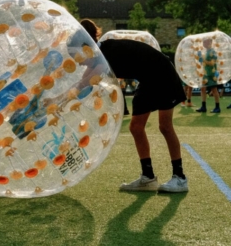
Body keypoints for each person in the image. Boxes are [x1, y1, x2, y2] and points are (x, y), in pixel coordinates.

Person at [80, 19, 188, 193]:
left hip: (163, 73)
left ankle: (180, 178)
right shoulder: (100, 54)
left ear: (85, 45)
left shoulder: (102, 56)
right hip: (148, 79)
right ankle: (148, 177)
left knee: (165, 127)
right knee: (136, 127)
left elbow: (83, 84)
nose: (78, 61)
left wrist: (56, 100)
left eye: (77, 54)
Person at [196, 38, 221, 113]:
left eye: (204, 42)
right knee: (203, 89)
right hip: (206, 74)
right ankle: (203, 107)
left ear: (209, 42)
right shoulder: (206, 51)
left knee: (214, 90)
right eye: (203, 42)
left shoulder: (213, 51)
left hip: (212, 74)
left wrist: (202, 59)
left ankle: (217, 107)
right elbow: (204, 63)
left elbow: (212, 63)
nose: (203, 44)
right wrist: (200, 58)